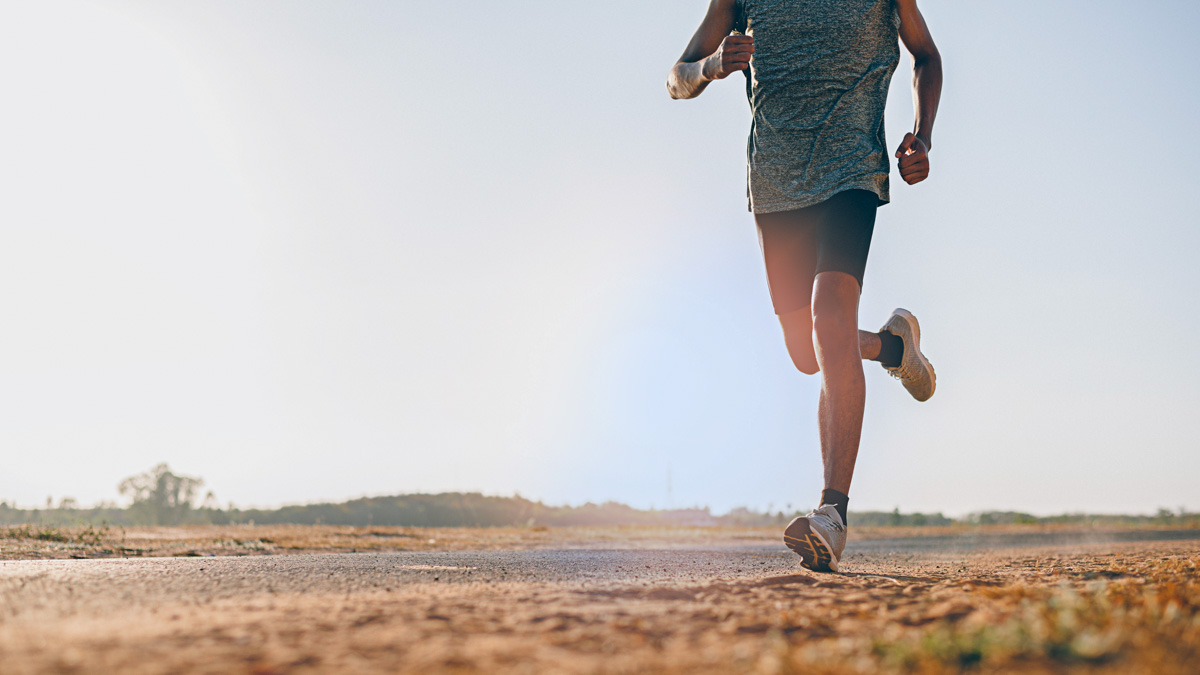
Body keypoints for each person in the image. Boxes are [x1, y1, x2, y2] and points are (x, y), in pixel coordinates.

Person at [666, 0, 942, 572]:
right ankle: (892, 346)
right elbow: (677, 76)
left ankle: (831, 514)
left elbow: (926, 54)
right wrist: (713, 64)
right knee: (806, 353)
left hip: (851, 169)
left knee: (828, 320)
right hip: (774, 185)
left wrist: (923, 133)